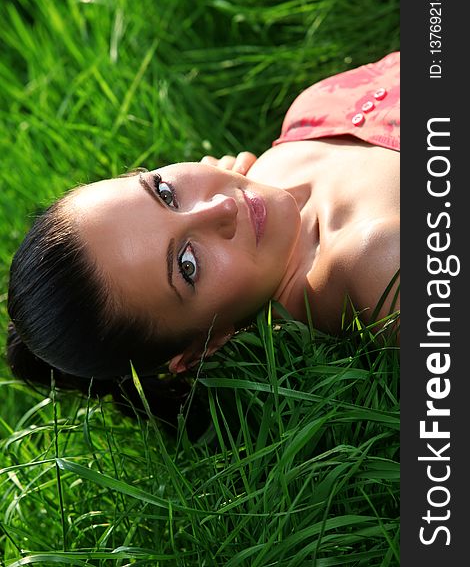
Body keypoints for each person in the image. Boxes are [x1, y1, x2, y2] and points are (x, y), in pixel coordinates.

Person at [6, 52, 400, 418]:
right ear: (204, 346)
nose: (222, 208)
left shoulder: (289, 143)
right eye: (189, 265)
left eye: (164, 192)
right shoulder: (379, 263)